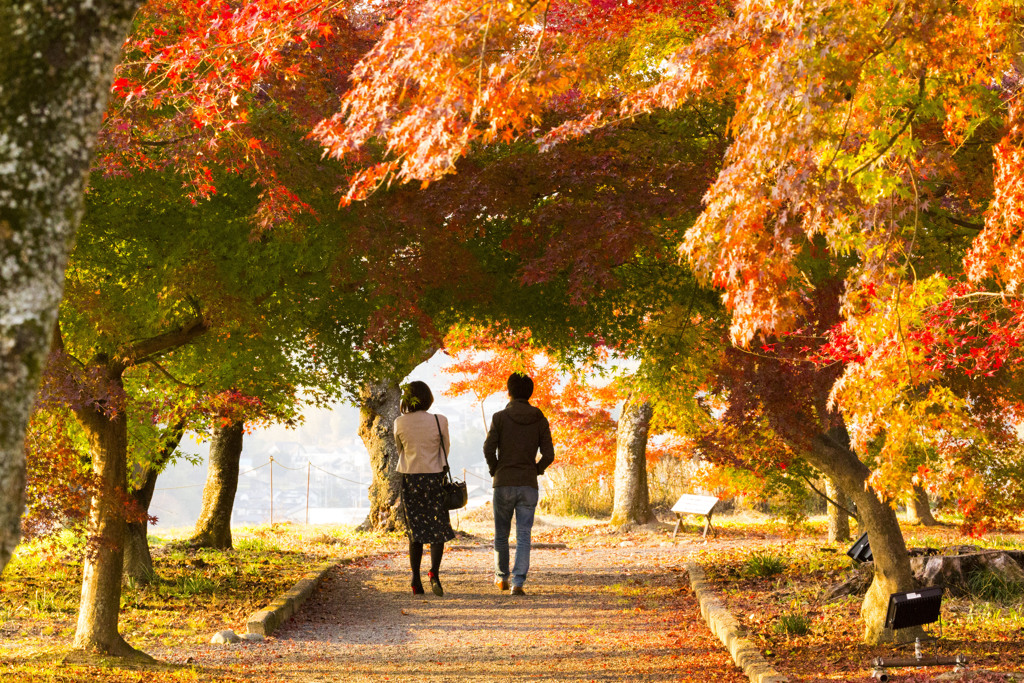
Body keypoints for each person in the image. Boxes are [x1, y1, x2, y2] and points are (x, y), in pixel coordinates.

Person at [483, 372, 555, 596]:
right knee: (524, 534)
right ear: (530, 393)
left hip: (503, 481)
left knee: (501, 533)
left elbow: (488, 448)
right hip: (528, 483)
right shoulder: (540, 419)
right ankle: (518, 583)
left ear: (509, 391)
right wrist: (536, 469)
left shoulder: (499, 418)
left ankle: (501, 578)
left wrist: (495, 468)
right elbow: (549, 454)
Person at [394, 380, 456, 596]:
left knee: (416, 531)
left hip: (411, 479)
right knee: (437, 528)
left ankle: (414, 580)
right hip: (434, 479)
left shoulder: (400, 422)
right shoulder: (440, 420)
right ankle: (434, 574)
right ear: (428, 398)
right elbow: (445, 449)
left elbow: (399, 448)